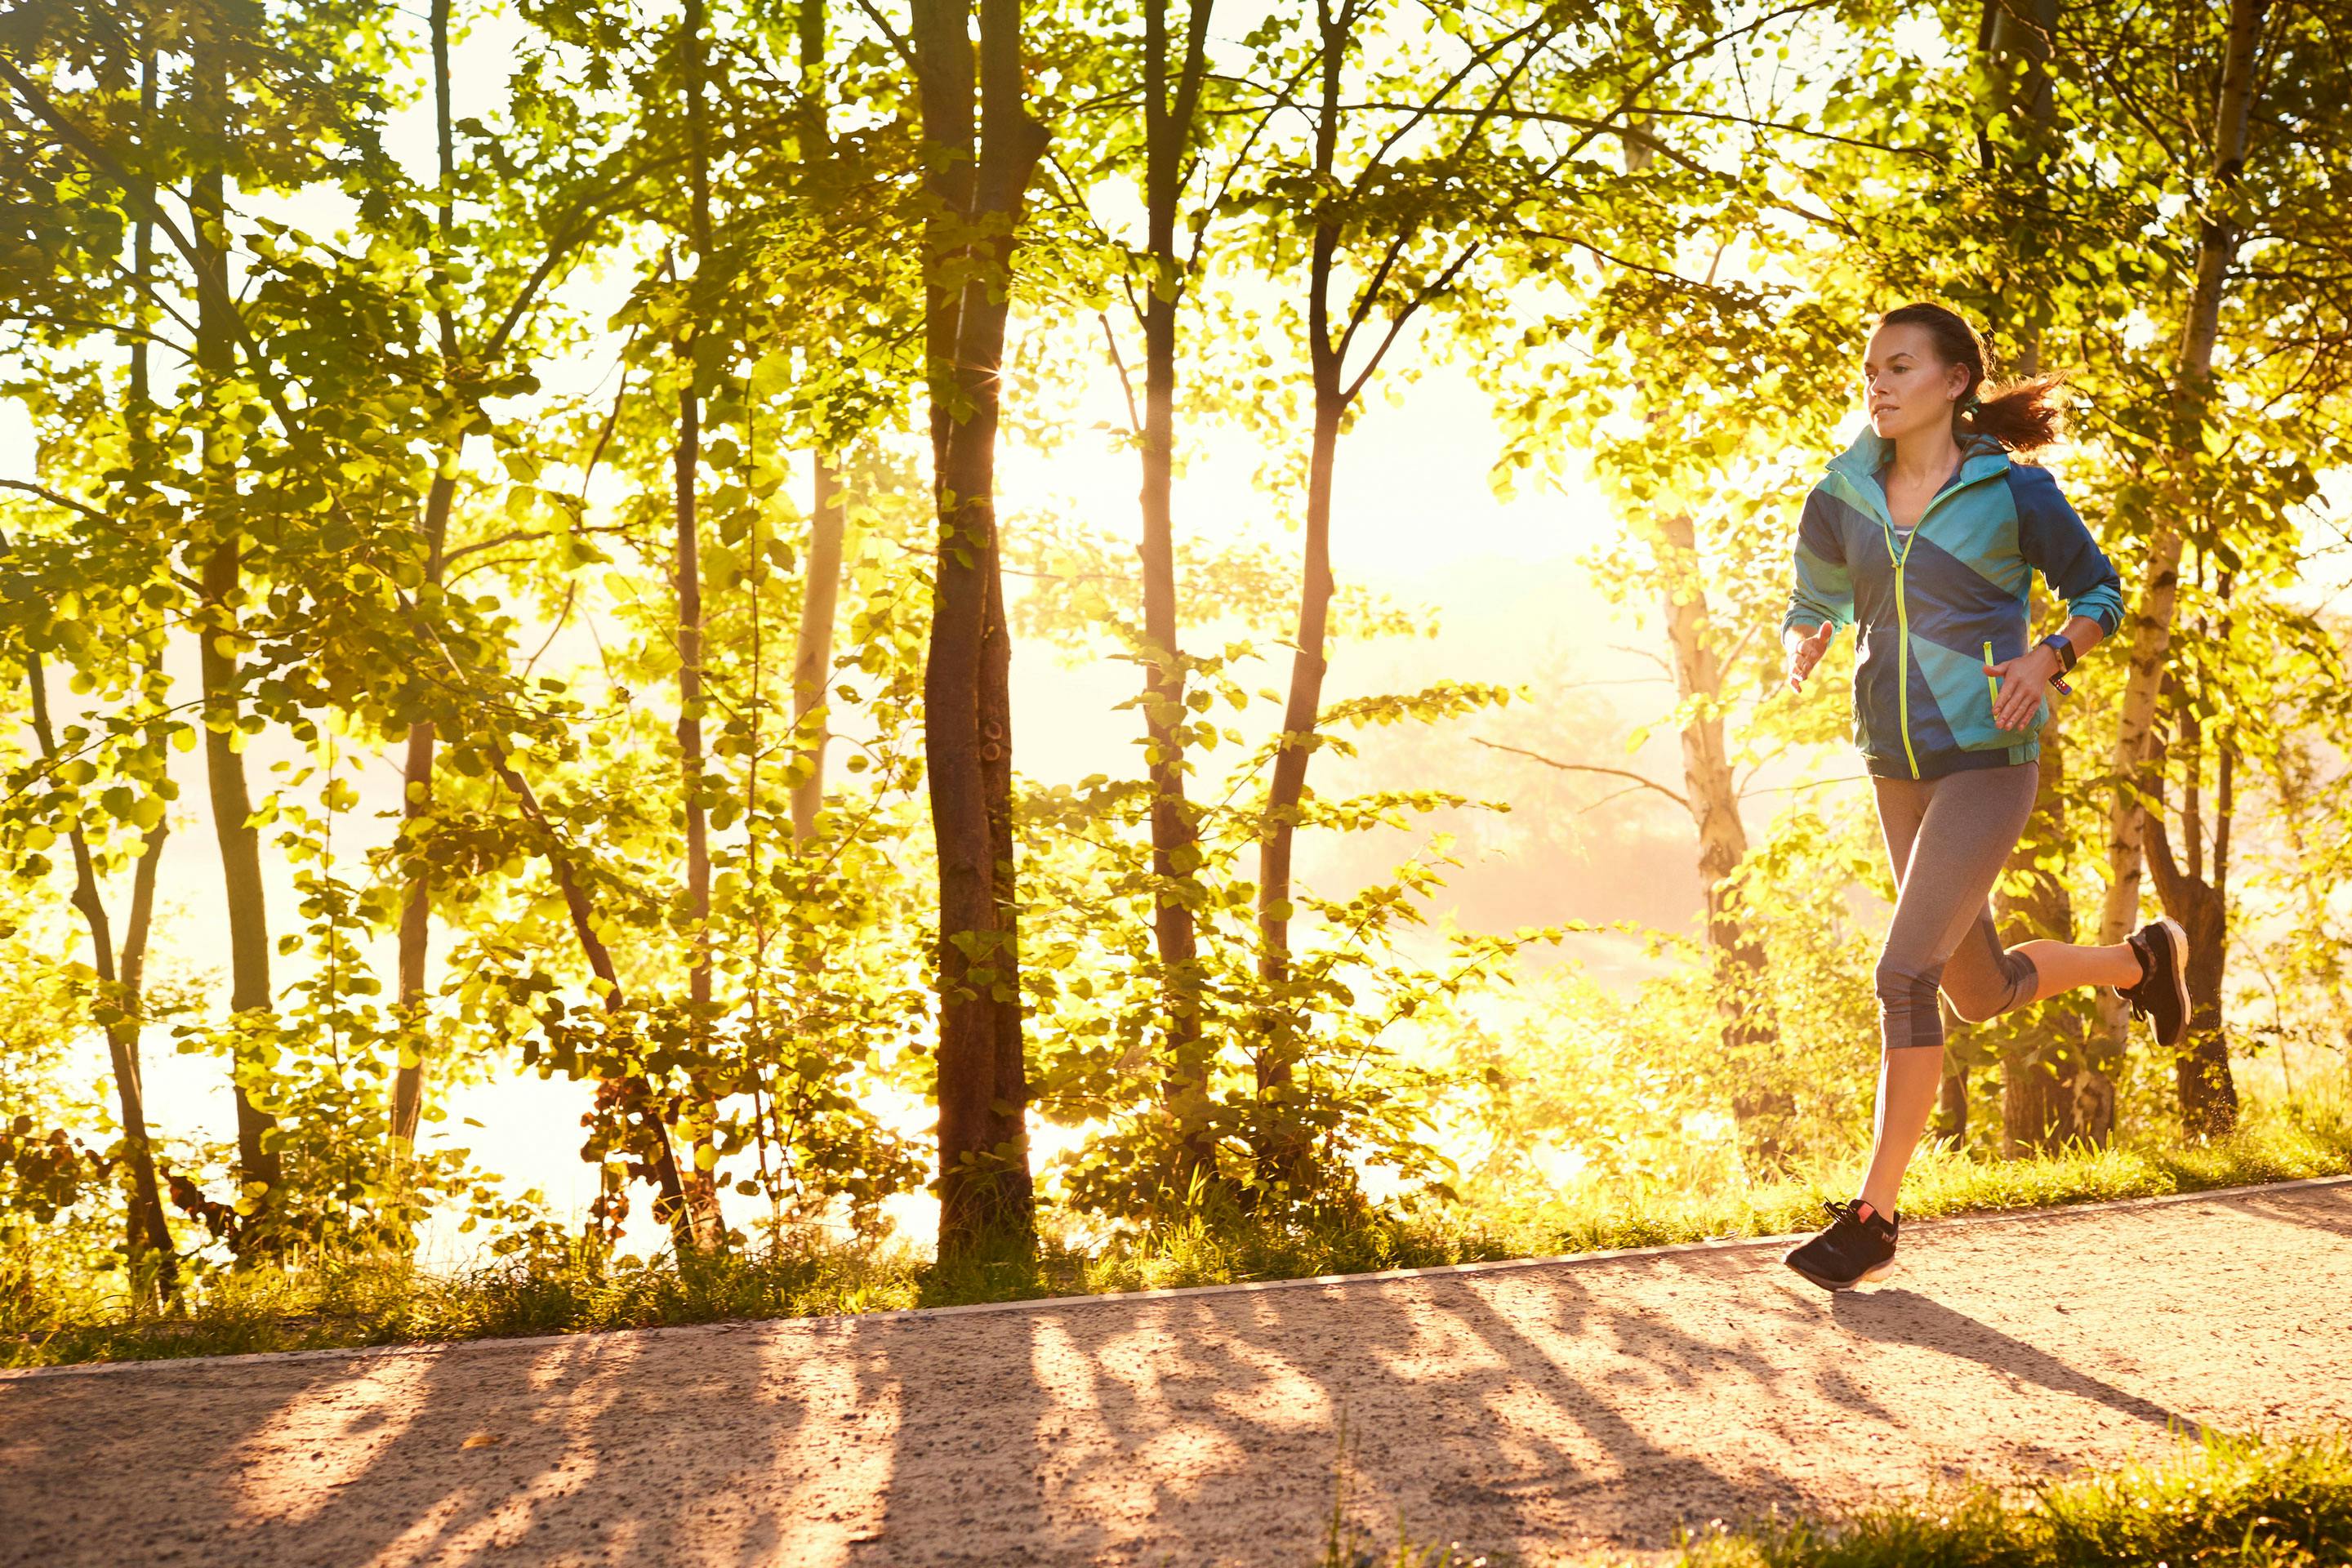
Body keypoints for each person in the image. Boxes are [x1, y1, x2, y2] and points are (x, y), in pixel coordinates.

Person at [1775, 301, 2189, 1292]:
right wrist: (1807, 631)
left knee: (1901, 976)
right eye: (1869, 369)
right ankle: (2139, 961)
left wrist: (2049, 659)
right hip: (1895, 758)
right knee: (1976, 989)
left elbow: (2100, 593)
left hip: (1987, 758)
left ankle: (1872, 1217)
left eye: (1899, 366)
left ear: (1955, 381)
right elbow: (1819, 590)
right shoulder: (1842, 492)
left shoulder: (2014, 493)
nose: (1876, 383)